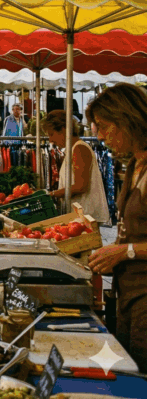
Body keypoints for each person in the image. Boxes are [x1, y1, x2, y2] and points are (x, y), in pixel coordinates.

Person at [86, 84, 147, 372]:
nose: (99, 136)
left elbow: (131, 246)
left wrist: (126, 252)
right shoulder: (136, 163)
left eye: (104, 127)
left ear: (127, 119)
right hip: (128, 297)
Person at [41, 110, 108, 224]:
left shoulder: (79, 149)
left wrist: (52, 194)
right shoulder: (72, 150)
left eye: (52, 134)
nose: (51, 140)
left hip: (86, 216)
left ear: (63, 130)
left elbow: (81, 186)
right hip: (79, 217)